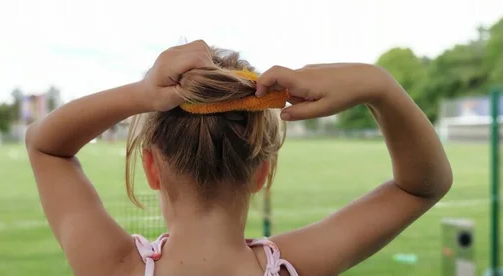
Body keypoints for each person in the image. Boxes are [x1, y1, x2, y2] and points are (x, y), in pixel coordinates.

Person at [25, 40, 452, 276]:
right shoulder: (294, 267)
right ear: (261, 173)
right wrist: (376, 84)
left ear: (152, 168)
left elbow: (46, 145)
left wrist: (141, 94)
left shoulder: (112, 268)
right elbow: (422, 185)